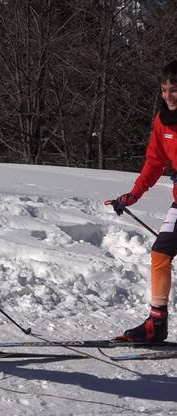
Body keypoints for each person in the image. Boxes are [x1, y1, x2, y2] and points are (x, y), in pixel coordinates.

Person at [111, 60, 177, 342]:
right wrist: (133, 194)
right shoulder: (162, 120)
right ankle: (156, 322)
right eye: (164, 90)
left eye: (174, 90)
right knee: (160, 253)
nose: (168, 96)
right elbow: (154, 162)